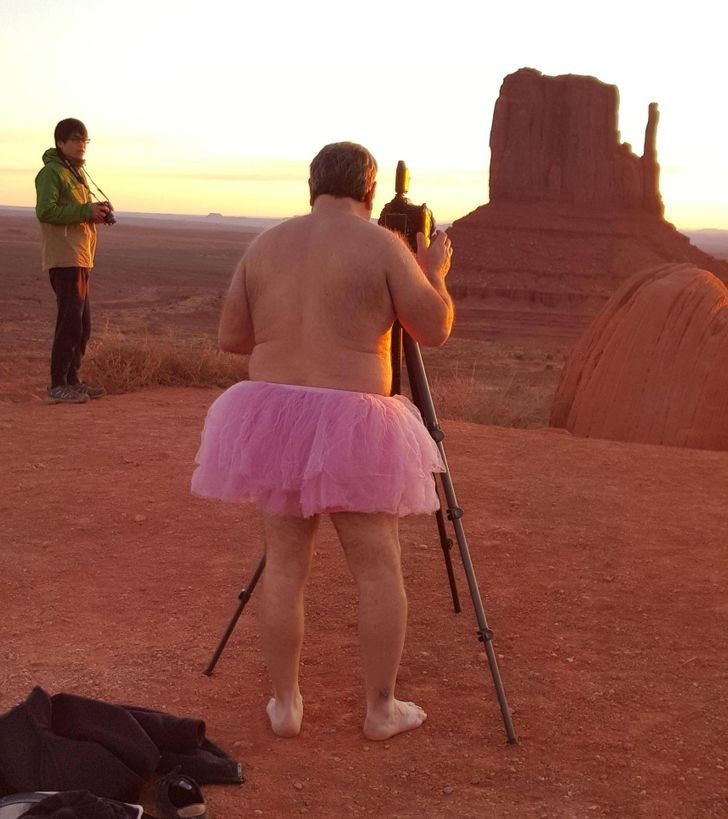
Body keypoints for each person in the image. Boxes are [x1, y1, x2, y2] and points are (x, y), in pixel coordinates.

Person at [192, 142, 454, 741]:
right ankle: (380, 709)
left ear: (312, 186)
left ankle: (285, 706)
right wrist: (433, 272)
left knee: (285, 566)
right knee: (377, 566)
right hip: (353, 422)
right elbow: (434, 328)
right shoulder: (384, 244)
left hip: (275, 414)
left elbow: (233, 337)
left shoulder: (265, 244)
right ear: (369, 190)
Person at [35, 118, 109, 404]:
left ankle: (72, 381)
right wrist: (85, 211)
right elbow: (46, 211)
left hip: (80, 255)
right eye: (76, 140)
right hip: (64, 256)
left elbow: (79, 212)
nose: (81, 145)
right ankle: (56, 386)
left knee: (82, 324)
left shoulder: (76, 173)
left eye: (85, 140)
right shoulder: (51, 173)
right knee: (70, 323)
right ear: (61, 143)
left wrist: (96, 212)